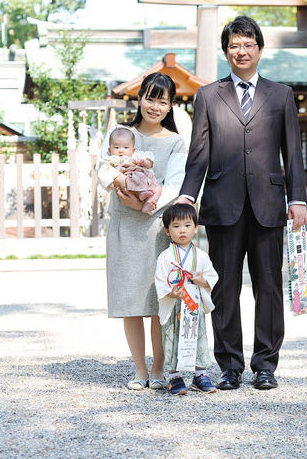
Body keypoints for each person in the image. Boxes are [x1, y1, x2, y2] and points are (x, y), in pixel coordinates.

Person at [178, 15, 307, 391]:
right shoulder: (208, 95)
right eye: (235, 45)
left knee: (268, 287)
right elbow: (198, 153)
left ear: (260, 50)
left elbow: (293, 154)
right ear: (226, 51)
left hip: (269, 204)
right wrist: (188, 195)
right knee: (224, 287)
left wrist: (296, 198)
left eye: (249, 44)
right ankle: (230, 366)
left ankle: (265, 365)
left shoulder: (281, 95)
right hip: (223, 204)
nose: (242, 50)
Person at [97, 72, 187, 390]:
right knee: (130, 300)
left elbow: (174, 186)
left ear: (170, 105)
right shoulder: (121, 134)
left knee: (158, 302)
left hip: (158, 229)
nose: (155, 106)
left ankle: (159, 369)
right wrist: (124, 184)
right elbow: (104, 169)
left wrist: (144, 205)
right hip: (124, 227)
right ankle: (139, 370)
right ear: (139, 99)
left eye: (162, 101)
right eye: (150, 98)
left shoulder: (176, 142)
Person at [154, 203, 218, 395]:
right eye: (176, 226)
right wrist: (171, 293)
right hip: (174, 305)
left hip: (193, 305)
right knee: (172, 338)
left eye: (187, 225)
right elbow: (160, 280)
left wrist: (202, 280)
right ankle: (174, 377)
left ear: (196, 227)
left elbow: (213, 277)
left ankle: (200, 375)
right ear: (167, 230)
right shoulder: (165, 257)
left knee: (198, 337)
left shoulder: (201, 255)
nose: (182, 230)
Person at [98, 126, 162, 213]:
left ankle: (149, 202)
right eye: (116, 147)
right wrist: (108, 182)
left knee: (158, 188)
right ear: (109, 150)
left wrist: (145, 162)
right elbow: (103, 171)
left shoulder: (136, 156)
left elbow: (150, 161)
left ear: (133, 149)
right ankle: (141, 194)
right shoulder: (111, 160)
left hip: (146, 182)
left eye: (125, 147)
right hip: (129, 181)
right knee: (132, 181)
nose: (121, 151)